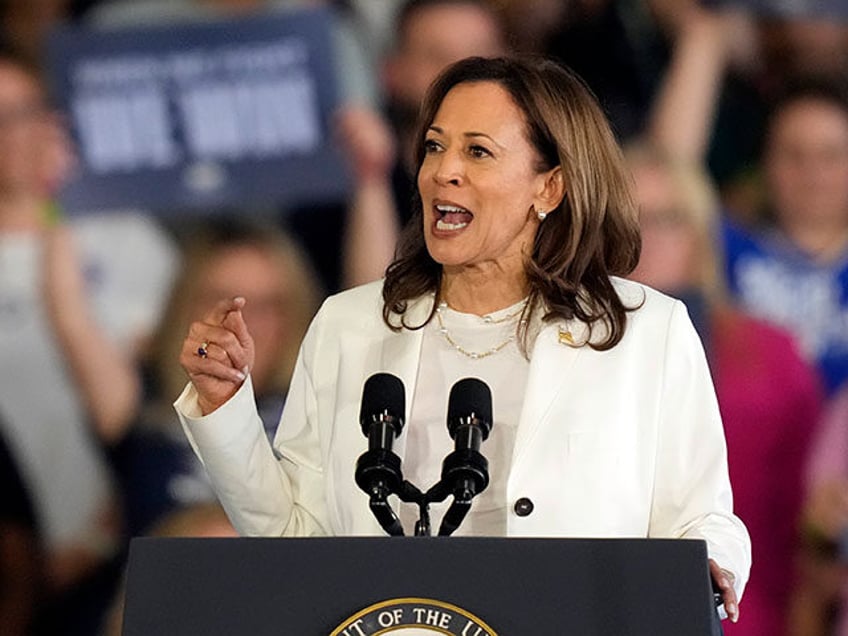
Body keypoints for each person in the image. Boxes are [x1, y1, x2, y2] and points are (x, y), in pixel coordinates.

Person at [174, 55, 751, 622]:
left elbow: (703, 520)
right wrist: (227, 410)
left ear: (549, 188)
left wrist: (710, 568)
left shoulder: (643, 331)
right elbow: (298, 540)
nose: (443, 171)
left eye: (477, 151)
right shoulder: (348, 327)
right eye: (433, 146)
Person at [627, 142, 823, 636]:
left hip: (745, 611)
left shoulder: (772, 357)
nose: (644, 238)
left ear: (700, 233)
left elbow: (802, 526)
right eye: (628, 219)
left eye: (666, 218)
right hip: (606, 603)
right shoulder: (561, 351)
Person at [110, 216, 322, 536]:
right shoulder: (138, 394)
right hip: (164, 582)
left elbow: (377, 308)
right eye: (223, 301)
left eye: (268, 305)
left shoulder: (319, 410)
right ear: (185, 305)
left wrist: (369, 185)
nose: (245, 324)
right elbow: (70, 316)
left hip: (284, 582)